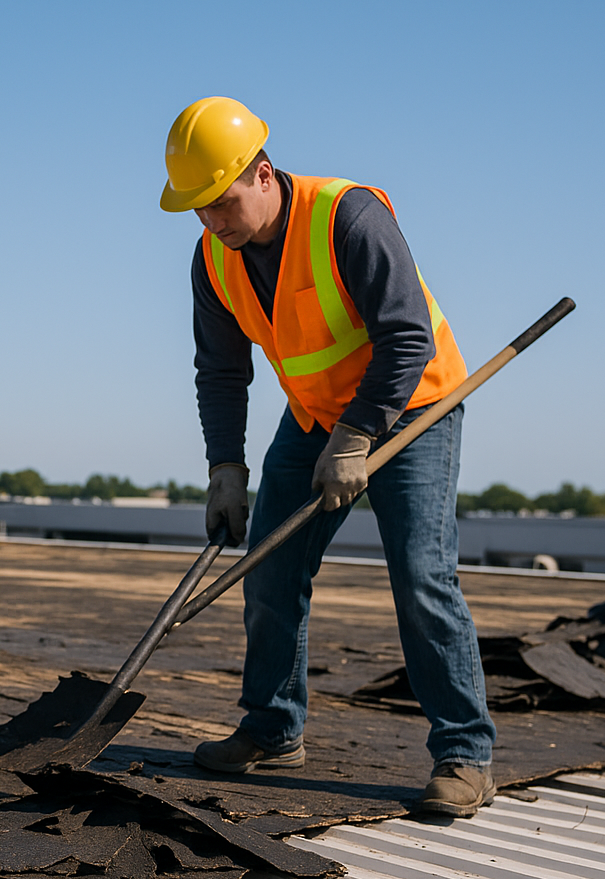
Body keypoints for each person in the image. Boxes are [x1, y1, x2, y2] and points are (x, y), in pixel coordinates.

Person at [160, 97, 497, 816]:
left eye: (220, 202)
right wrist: (225, 468)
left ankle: (465, 752)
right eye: (198, 210)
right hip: (316, 414)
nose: (212, 222)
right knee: (269, 564)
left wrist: (358, 437)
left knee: (421, 574)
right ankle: (274, 727)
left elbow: (407, 337)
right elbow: (221, 371)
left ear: (264, 174)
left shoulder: (348, 218)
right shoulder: (214, 260)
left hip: (414, 407)